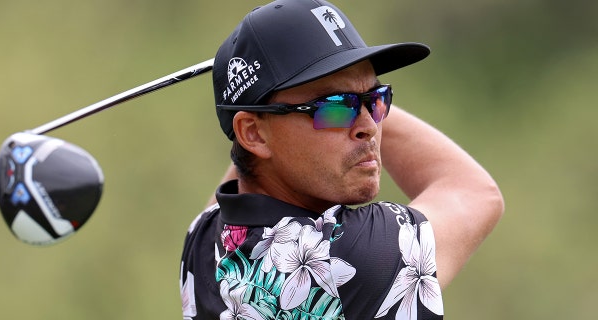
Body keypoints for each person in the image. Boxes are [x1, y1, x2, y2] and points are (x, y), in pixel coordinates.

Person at [180, 0, 504, 319]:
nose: (370, 127)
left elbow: (247, 164)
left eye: (377, 100)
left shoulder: (204, 238)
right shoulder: (348, 258)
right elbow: (474, 192)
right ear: (254, 134)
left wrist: (254, 94)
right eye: (334, 106)